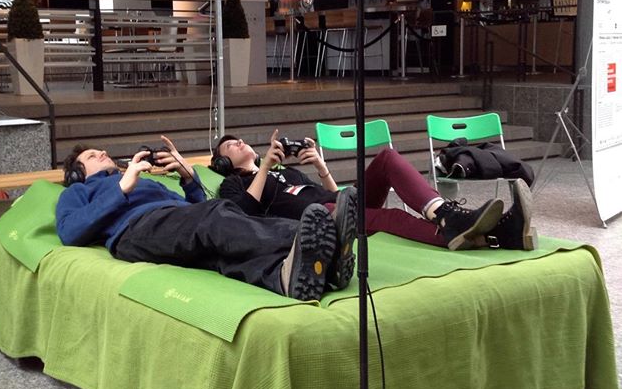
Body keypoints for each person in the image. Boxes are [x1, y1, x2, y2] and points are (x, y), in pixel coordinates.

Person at [56, 135, 357, 302]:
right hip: (135, 231)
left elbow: (197, 210)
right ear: (77, 174)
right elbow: (70, 231)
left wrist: (188, 176)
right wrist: (122, 187)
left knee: (222, 248)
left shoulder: (145, 181)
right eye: (93, 155)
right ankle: (319, 241)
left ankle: (289, 276)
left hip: (173, 222)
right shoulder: (79, 191)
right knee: (215, 216)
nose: (103, 152)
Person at [211, 130, 538, 251]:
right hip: (323, 221)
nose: (239, 142)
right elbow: (245, 213)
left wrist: (322, 167)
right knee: (389, 216)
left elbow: (329, 192)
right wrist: (264, 167)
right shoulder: (234, 183)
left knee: (387, 157)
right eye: (230, 146)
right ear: (223, 163)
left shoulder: (288, 170)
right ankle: (499, 234)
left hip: (338, 202)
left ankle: (446, 214)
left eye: (239, 139)